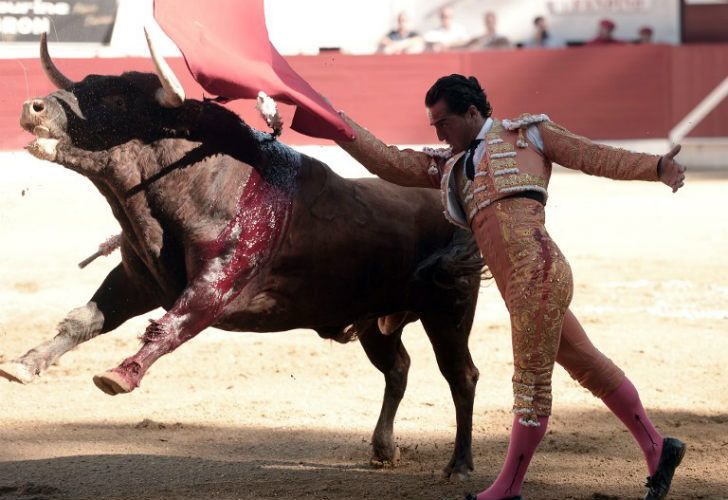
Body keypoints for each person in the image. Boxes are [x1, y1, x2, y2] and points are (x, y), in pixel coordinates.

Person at [334, 74, 686, 500]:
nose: (439, 133)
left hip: (538, 273)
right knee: (588, 365)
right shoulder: (448, 166)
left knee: (531, 385)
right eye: (434, 127)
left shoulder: (528, 135)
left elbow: (594, 157)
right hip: (520, 285)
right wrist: (333, 122)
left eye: (443, 123)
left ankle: (506, 489)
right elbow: (385, 161)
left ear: (471, 112)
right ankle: (658, 447)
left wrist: (656, 167)